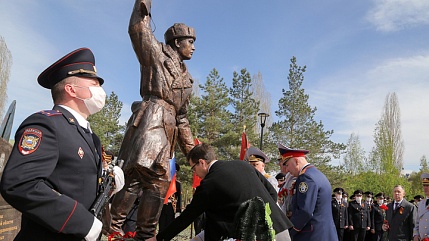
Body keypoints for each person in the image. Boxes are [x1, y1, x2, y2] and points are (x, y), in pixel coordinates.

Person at [0, 48, 124, 241]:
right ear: (71, 89)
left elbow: (75, 183)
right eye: (93, 83)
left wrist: (108, 184)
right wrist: (82, 222)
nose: (99, 88)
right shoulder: (47, 124)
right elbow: (20, 183)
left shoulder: (91, 137)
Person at [106, 0, 197, 239]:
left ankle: (146, 235)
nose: (194, 48)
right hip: (150, 122)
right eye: (190, 42)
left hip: (167, 136)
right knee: (135, 178)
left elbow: (183, 119)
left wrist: (193, 154)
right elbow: (138, 30)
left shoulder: (188, 81)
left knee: (158, 187)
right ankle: (112, 230)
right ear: (177, 42)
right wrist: (142, 6)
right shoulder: (156, 55)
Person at [155, 143, 293, 241]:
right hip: (280, 229)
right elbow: (272, 194)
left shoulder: (209, 183)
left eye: (193, 168)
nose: (195, 173)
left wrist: (160, 238)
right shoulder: (243, 165)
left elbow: (188, 216)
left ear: (202, 162)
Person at [279, 145, 338, 241]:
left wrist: (290, 232)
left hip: (311, 235)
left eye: (287, 165)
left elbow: (305, 211)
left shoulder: (306, 178)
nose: (287, 170)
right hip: (323, 233)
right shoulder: (316, 174)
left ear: (296, 161)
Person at [413, 173, 429, 240]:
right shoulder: (421, 203)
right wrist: (415, 235)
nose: (425, 188)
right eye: (424, 185)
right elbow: (417, 222)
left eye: (428, 185)